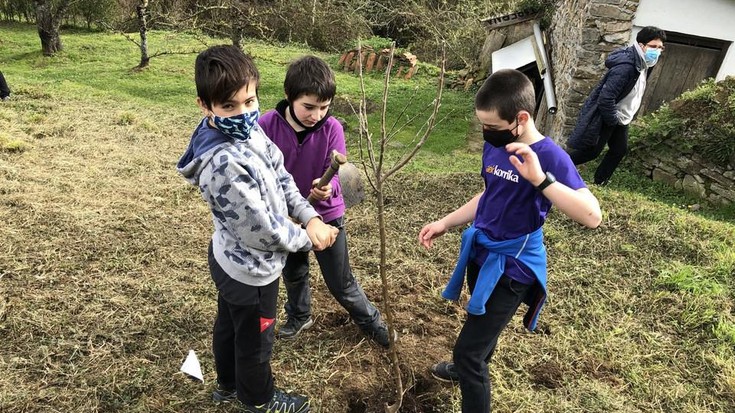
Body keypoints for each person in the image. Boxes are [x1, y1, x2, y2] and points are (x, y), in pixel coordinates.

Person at [418, 69, 602, 413]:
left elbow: (592, 216)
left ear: (520, 118)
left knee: (469, 354)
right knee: (480, 321)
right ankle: (466, 363)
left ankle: (465, 367)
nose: (487, 134)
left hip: (513, 268)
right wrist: (445, 222)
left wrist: (541, 180)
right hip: (482, 255)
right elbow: (489, 194)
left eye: (493, 127)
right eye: (482, 126)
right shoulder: (495, 147)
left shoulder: (550, 157)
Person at [177, 45, 339, 413]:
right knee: (255, 339)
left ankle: (228, 385)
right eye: (228, 106)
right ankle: (258, 400)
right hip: (249, 271)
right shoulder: (222, 163)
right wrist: (309, 237)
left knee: (232, 326)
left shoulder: (250, 131)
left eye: (249, 101)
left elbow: (280, 175)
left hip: (233, 259)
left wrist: (309, 215)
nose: (243, 112)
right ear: (205, 106)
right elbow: (261, 232)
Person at [258, 55, 395, 348]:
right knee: (294, 272)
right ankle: (299, 315)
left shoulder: (332, 127)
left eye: (323, 107)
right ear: (289, 96)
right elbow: (260, 170)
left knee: (340, 281)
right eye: (309, 107)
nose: (316, 115)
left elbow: (336, 172)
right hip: (287, 216)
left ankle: (372, 322)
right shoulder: (267, 125)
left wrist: (328, 189)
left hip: (326, 215)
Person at [566, 26, 667, 185]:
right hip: (610, 116)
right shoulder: (626, 67)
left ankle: (600, 181)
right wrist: (612, 120)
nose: (657, 51)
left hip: (622, 118)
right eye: (653, 46)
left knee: (619, 150)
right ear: (641, 46)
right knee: (590, 152)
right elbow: (606, 98)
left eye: (660, 47)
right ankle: (552, 167)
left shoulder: (645, 64)